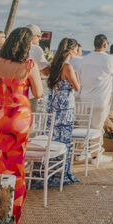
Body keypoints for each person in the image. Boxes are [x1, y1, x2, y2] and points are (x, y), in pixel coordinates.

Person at [0, 27, 43, 224]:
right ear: (26, 45)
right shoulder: (28, 65)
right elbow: (38, 93)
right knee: (16, 165)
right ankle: (12, 213)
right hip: (18, 119)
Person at [45, 38, 81, 186]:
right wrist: (77, 75)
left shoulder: (53, 65)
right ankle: (62, 173)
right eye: (76, 49)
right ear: (71, 50)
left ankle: (50, 170)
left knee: (53, 137)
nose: (78, 52)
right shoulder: (68, 67)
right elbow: (77, 87)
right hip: (65, 108)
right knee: (64, 139)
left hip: (53, 105)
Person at [75, 34, 113, 131]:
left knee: (82, 129)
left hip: (85, 98)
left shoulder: (84, 59)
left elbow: (78, 75)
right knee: (97, 130)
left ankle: (83, 146)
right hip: (101, 100)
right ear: (105, 45)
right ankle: (94, 146)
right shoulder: (109, 59)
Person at [25, 24, 50, 112]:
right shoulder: (35, 49)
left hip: (9, 92)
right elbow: (46, 72)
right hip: (28, 92)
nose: (40, 39)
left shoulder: (11, 48)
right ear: (32, 36)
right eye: (39, 36)